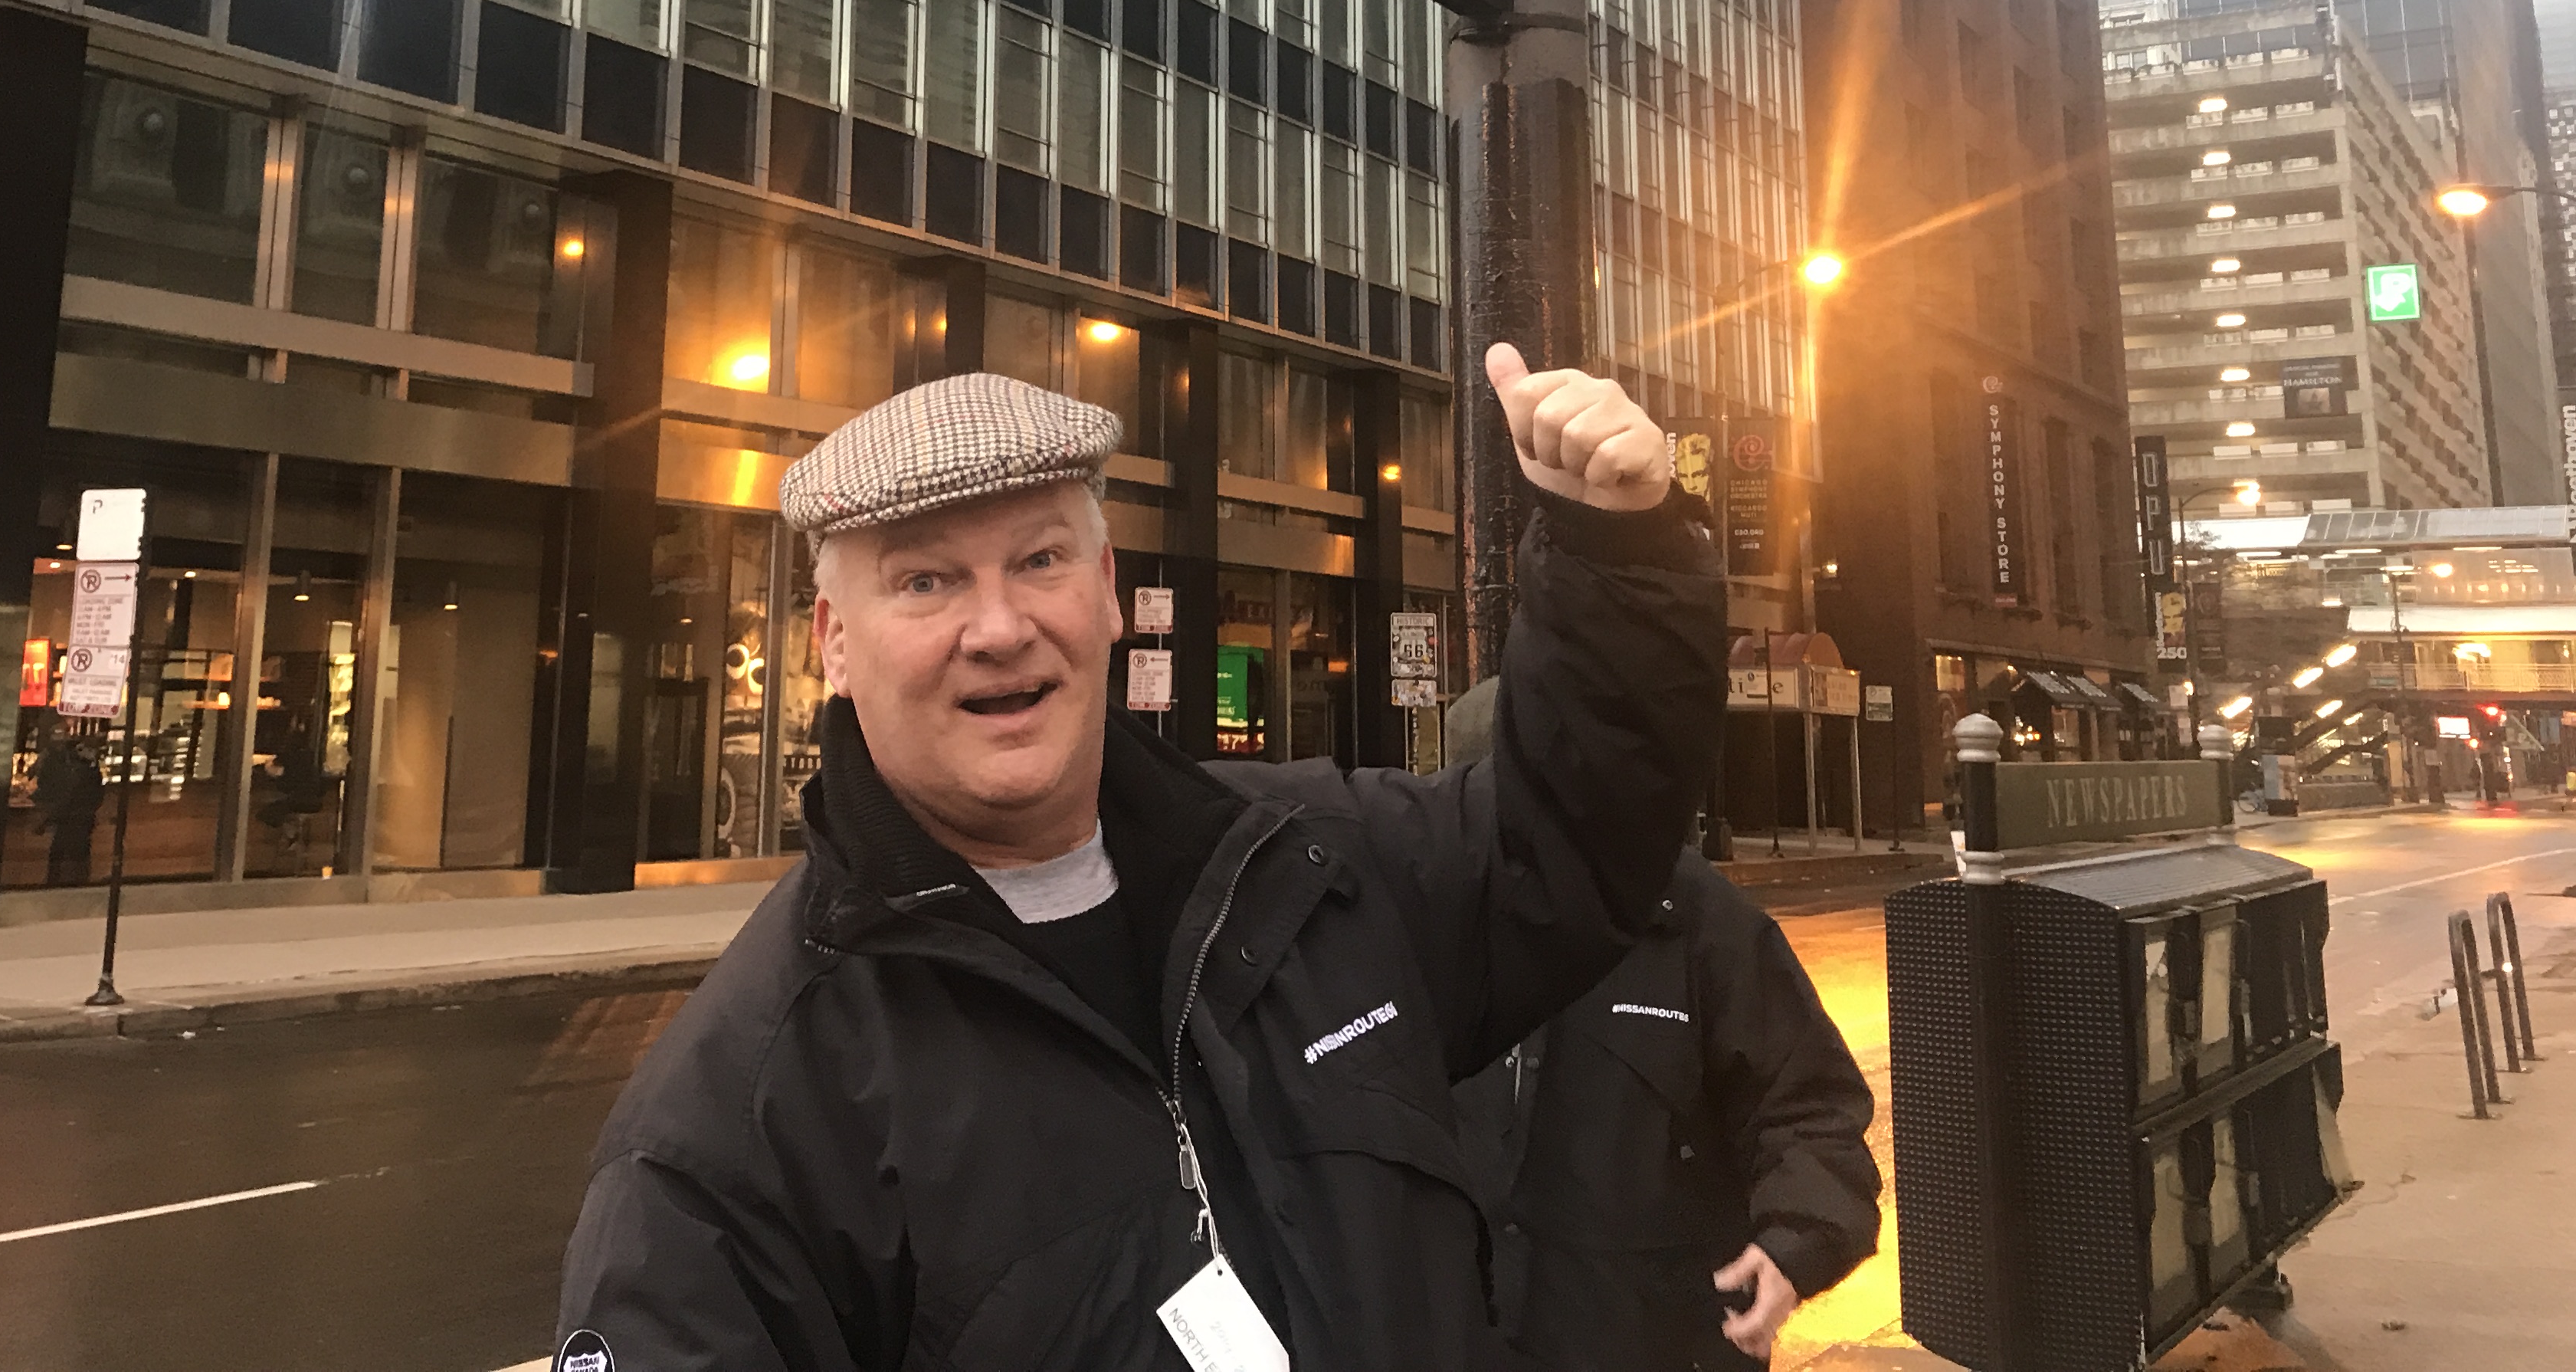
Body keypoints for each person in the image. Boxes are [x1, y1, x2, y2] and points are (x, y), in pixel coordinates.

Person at [558, 349, 1726, 1372]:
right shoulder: (738, 1121)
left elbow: (1571, 842)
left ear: (1110, 594)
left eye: (1040, 560)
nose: (1000, 627)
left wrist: (1616, 549)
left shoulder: (1317, 863)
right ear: (835, 644)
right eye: (926, 580)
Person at [1445, 679, 1881, 1369]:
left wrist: (1794, 1243)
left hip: (1660, 1340)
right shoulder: (1426, 923)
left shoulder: (1701, 922)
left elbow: (1807, 1105)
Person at [31, 720, 102, 888]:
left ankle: (60, 883)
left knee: (66, 852)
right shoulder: (65, 760)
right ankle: (70, 883)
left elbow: (73, 792)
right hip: (76, 817)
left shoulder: (75, 765)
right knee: (71, 853)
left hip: (74, 816)